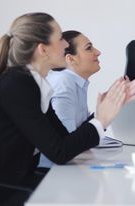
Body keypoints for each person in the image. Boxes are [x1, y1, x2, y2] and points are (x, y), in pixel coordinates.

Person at [0, 13, 135, 191]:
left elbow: (65, 142)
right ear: (43, 49)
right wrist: (102, 120)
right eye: (60, 38)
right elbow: (59, 153)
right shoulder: (17, 85)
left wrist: (101, 114)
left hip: (14, 179)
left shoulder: (34, 84)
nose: (66, 44)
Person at [38, 30, 104, 168]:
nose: (98, 52)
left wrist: (101, 113)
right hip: (51, 172)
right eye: (89, 48)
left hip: (65, 165)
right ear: (70, 59)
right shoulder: (64, 82)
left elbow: (79, 133)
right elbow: (67, 143)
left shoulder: (74, 82)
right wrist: (102, 118)